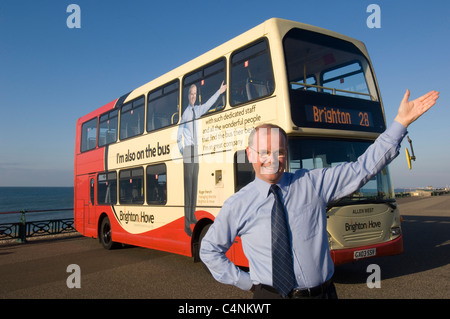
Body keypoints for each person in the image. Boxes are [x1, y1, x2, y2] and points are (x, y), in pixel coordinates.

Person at [200, 89, 439, 298]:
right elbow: (209, 249)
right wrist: (246, 282)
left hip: (322, 294)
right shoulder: (237, 204)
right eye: (264, 152)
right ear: (249, 154)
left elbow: (361, 169)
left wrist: (400, 123)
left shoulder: (311, 184)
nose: (272, 159)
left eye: (280, 152)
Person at [178, 81, 227, 236]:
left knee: (194, 186)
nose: (193, 96)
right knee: (187, 188)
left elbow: (208, 104)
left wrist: (219, 92)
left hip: (196, 150)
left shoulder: (197, 110)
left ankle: (192, 215)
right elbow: (179, 136)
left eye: (195, 93)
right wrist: (183, 151)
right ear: (188, 96)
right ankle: (187, 224)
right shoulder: (185, 114)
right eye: (191, 94)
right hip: (188, 151)